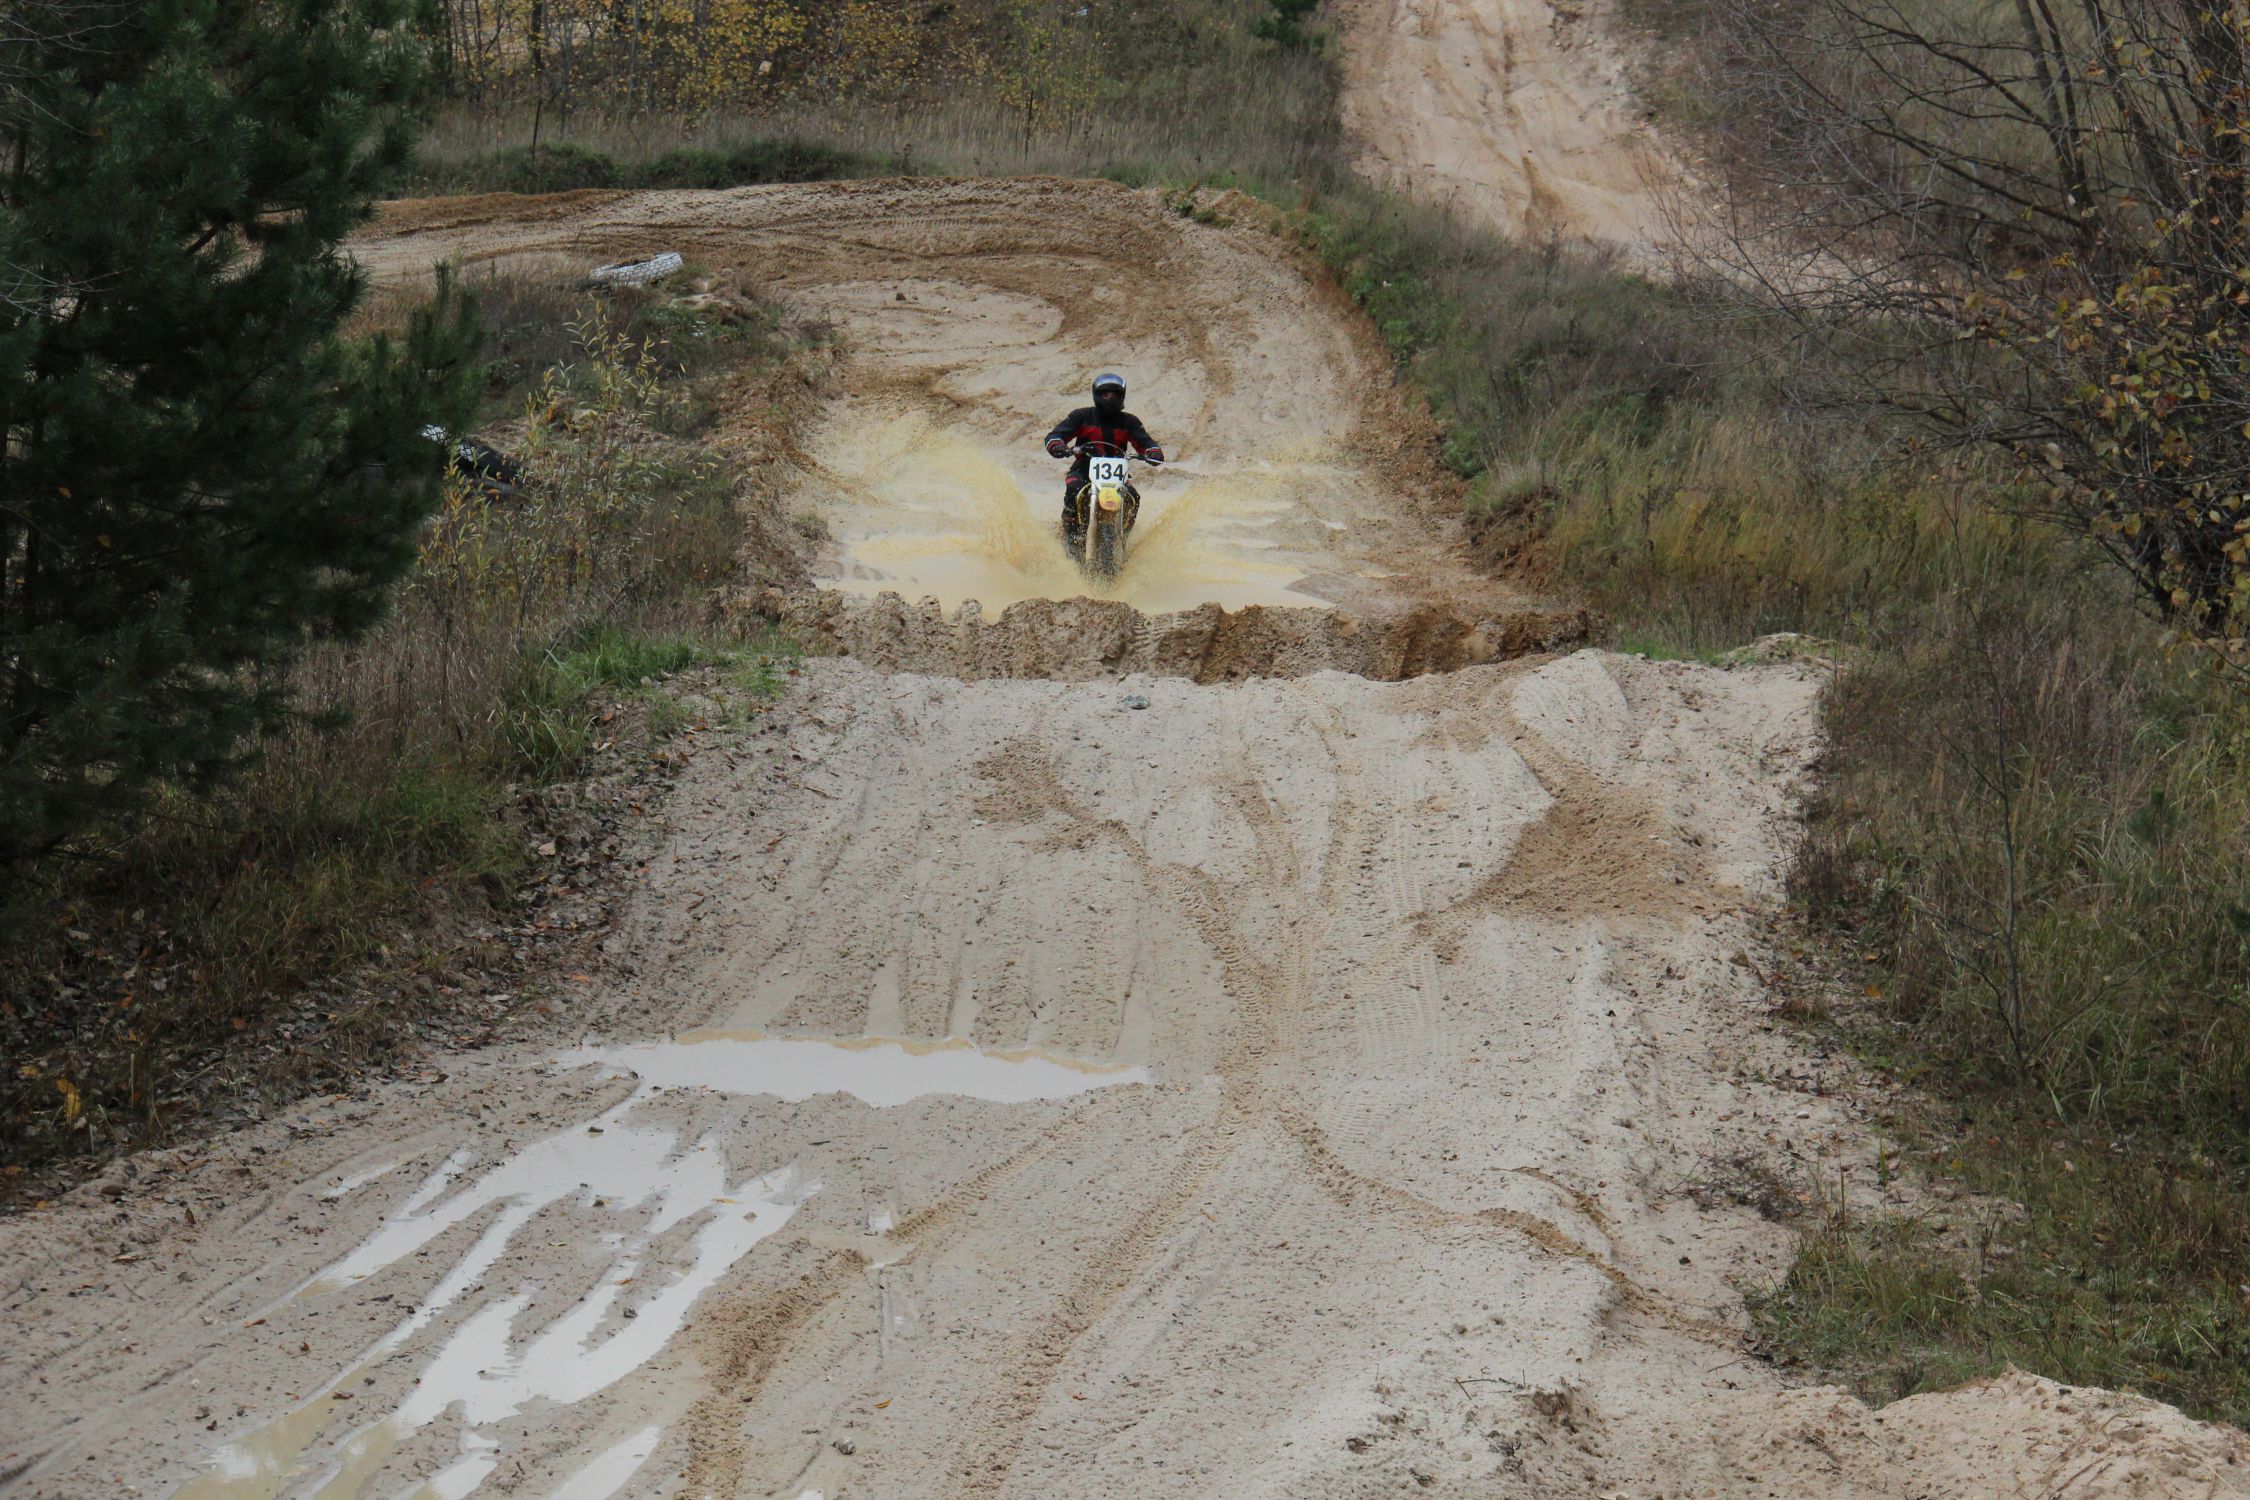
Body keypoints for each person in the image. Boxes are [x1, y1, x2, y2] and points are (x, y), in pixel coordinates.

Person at [1044, 373, 1165, 551]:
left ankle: (1123, 537)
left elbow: (1145, 442)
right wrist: (1058, 446)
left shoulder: (1130, 421)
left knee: (1133, 497)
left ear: (1122, 396)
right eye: (1105, 394)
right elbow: (1055, 435)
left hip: (1117, 476)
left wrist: (1153, 452)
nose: (1110, 398)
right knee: (1073, 489)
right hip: (1083, 470)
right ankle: (1070, 535)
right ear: (1096, 395)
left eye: (1114, 394)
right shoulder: (1081, 416)